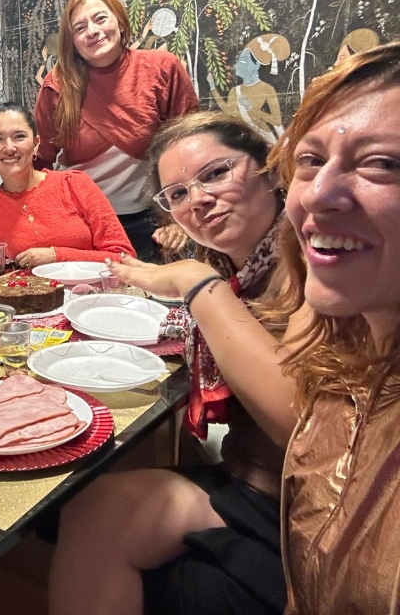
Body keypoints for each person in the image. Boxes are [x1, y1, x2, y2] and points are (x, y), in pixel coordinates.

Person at [48, 111, 306, 615]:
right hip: (249, 480)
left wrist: (194, 282)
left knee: (99, 511)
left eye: (216, 173)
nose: (199, 200)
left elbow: (299, 423)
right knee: (91, 506)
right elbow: (197, 324)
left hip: (300, 509)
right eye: (179, 193)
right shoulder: (234, 268)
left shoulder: (311, 262)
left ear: (272, 170)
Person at [267, 42, 400, 613]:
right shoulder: (344, 351)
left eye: (383, 164)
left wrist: (199, 288)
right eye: (310, 159)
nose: (318, 193)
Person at [33, 0, 198, 260]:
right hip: (79, 225)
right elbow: (40, 165)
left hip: (149, 223)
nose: (92, 31)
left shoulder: (162, 69)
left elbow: (187, 148)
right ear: (72, 42)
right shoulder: (57, 85)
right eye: (80, 28)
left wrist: (177, 217)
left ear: (120, 22)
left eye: (100, 18)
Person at [0, 102, 134, 268]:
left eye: (19, 136)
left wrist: (56, 256)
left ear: (36, 144)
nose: (9, 148)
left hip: (93, 284)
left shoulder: (74, 185)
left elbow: (124, 257)